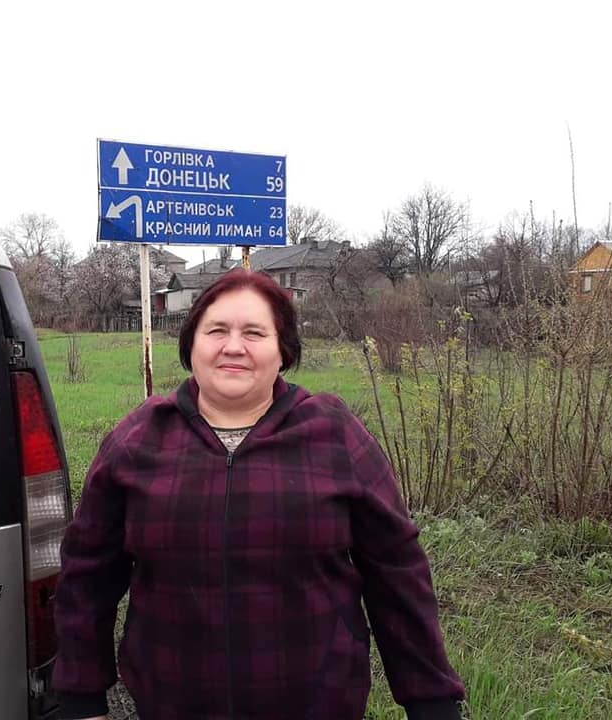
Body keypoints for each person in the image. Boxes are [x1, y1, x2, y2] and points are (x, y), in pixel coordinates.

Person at [53, 268, 465, 720]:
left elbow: (397, 572)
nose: (234, 346)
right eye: (217, 331)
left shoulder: (334, 434)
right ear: (191, 345)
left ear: (283, 350)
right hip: (171, 703)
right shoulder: (139, 438)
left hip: (316, 704)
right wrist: (81, 696)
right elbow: (87, 573)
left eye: (254, 332)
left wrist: (431, 701)